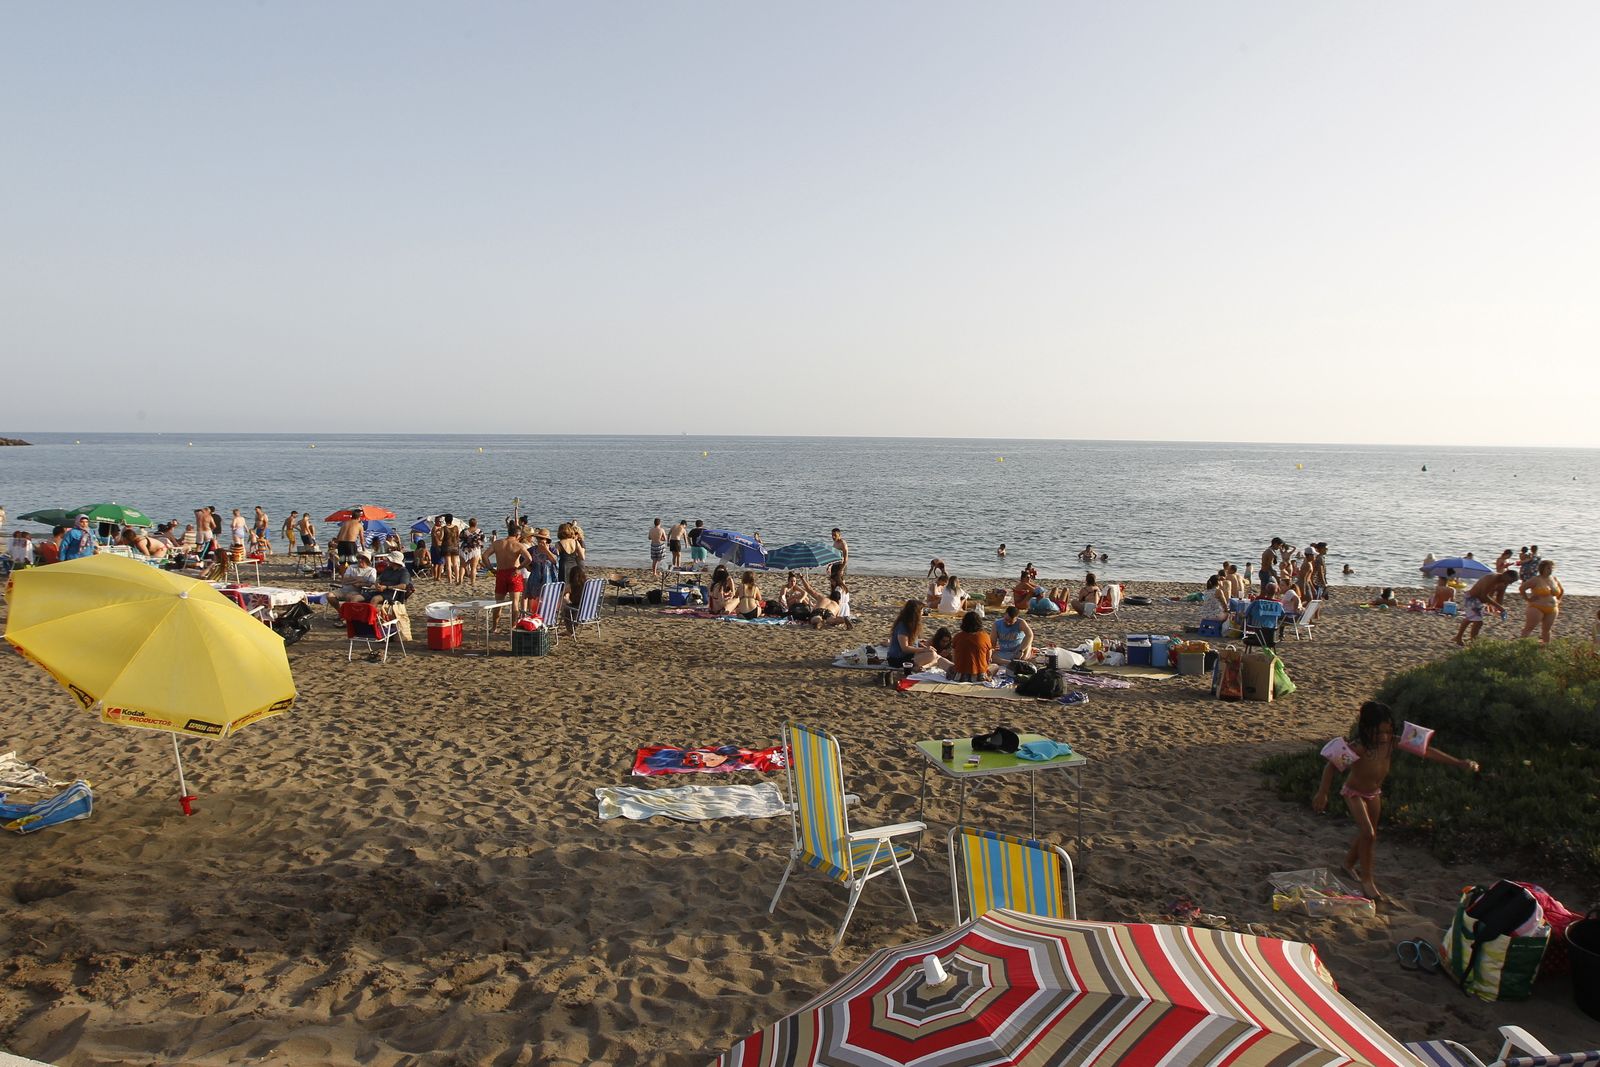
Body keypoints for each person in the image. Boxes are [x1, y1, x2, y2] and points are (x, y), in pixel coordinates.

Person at [1313, 700, 1478, 900]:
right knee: (1369, 833)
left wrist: (1458, 762)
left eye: (1388, 731)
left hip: (1374, 793)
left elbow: (1426, 750)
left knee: (1369, 834)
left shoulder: (1393, 741)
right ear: (1366, 728)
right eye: (1379, 732)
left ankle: (1348, 864)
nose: (1384, 737)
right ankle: (1367, 880)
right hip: (1354, 792)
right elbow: (1330, 766)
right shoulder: (1359, 747)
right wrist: (1323, 793)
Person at [1453, 570, 1519, 645]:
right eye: (1509, 581)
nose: (1509, 583)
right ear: (1504, 575)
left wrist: (1499, 609)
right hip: (1472, 598)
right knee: (1478, 622)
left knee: (1470, 619)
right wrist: (1499, 607)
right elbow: (1483, 595)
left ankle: (1458, 637)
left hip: (1480, 602)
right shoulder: (1492, 578)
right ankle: (1474, 642)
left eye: (1512, 582)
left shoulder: (1504, 583)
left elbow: (1500, 596)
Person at [484, 529, 531, 630]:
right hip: (514, 573)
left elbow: (485, 556)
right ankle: (513, 626)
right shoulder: (518, 545)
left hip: (501, 573)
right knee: (515, 602)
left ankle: (494, 627)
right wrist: (519, 568)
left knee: (499, 602)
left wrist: (491, 569)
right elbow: (529, 559)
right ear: (518, 535)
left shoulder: (497, 543)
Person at [1519, 559, 1564, 644]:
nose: (1550, 570)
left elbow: (1561, 590)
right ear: (1542, 569)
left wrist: (1559, 600)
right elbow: (1522, 589)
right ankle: (1521, 645)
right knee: (1529, 628)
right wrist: (1528, 599)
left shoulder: (1554, 579)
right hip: (1537, 607)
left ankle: (1546, 647)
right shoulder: (1535, 579)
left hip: (1552, 608)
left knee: (1547, 630)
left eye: (1551, 568)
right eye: (1548, 568)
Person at [949, 610, 995, 682]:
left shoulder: (957, 637)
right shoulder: (985, 637)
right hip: (980, 676)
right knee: (995, 667)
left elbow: (954, 659)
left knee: (940, 660)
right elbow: (988, 659)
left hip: (959, 676)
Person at [887, 599, 929, 668]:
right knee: (931, 655)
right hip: (897, 659)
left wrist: (918, 643)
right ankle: (920, 667)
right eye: (921, 611)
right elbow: (905, 648)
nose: (922, 613)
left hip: (905, 656)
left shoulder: (910, 625)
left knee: (933, 654)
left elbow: (909, 642)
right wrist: (924, 650)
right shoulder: (903, 626)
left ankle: (922, 666)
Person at [461, 519, 485, 587]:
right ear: (476, 524)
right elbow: (483, 539)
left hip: (465, 549)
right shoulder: (479, 531)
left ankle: (460, 580)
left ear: (469, 523)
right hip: (475, 549)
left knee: (462, 566)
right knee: (473, 567)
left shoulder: (465, 531)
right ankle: (472, 582)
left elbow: (460, 538)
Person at [441, 514, 462, 584]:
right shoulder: (456, 527)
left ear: (445, 520)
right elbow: (458, 537)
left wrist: (437, 535)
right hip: (455, 547)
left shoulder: (444, 528)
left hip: (446, 547)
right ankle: (457, 579)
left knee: (448, 565)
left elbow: (441, 538)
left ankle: (450, 580)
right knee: (456, 564)